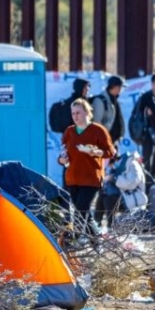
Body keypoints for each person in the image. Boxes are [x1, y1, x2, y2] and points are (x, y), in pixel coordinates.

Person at [58, 98, 116, 236]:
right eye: (73, 113)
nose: (75, 116)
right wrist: (61, 159)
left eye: (78, 113)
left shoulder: (98, 130)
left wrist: (97, 152)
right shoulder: (69, 131)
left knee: (81, 210)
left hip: (91, 178)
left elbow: (111, 152)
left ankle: (77, 238)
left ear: (87, 113)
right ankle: (96, 240)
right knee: (83, 212)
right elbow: (62, 153)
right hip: (72, 178)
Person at [91, 75, 126, 146]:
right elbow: (96, 123)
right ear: (114, 86)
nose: (121, 90)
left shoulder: (115, 100)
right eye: (120, 87)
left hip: (114, 141)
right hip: (104, 141)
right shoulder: (100, 100)